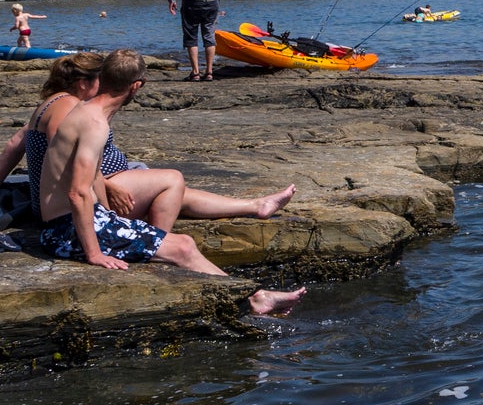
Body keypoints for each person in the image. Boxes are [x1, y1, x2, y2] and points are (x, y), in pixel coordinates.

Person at [37, 50, 303, 315]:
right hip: (65, 231)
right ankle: (253, 301)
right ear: (136, 86)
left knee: (182, 241)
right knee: (183, 247)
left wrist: (110, 217)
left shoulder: (87, 112)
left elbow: (92, 177)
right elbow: (78, 193)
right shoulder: (94, 123)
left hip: (79, 222)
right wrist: (94, 254)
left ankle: (255, 296)